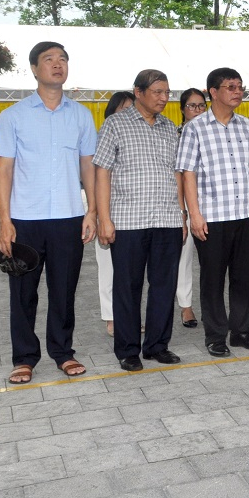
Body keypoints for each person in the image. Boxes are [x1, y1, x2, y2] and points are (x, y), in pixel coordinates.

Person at [0, 41, 97, 384]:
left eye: (62, 59)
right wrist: (5, 222)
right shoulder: (13, 116)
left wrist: (92, 211)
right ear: (34, 69)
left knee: (64, 290)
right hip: (25, 219)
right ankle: (24, 358)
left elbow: (88, 167)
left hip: (68, 217)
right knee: (23, 292)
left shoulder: (81, 115)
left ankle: (63, 352)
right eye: (49, 59)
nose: (57, 64)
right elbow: (4, 172)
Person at [94, 69, 186, 371]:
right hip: (128, 221)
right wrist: (104, 218)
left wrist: (182, 214)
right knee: (127, 287)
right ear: (138, 92)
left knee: (164, 286)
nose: (164, 98)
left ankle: (157, 345)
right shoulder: (115, 124)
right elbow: (102, 172)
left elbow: (177, 174)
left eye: (167, 92)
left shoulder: (169, 127)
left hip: (167, 219)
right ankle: (128, 350)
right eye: (157, 92)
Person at [175, 67, 249, 357]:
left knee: (243, 277)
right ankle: (215, 336)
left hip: (245, 214)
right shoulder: (195, 128)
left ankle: (241, 331)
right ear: (213, 92)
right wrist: (194, 215)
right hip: (212, 218)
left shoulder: (245, 125)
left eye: (240, 86)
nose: (238, 92)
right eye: (231, 87)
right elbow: (187, 173)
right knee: (213, 280)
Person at [96, 91, 135, 337]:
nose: (129, 114)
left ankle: (128, 318)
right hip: (107, 212)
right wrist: (101, 216)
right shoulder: (105, 135)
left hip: (132, 215)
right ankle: (111, 318)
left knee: (129, 273)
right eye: (124, 109)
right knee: (108, 268)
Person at [175, 88, 205, 330]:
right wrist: (182, 210)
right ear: (182, 109)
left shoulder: (213, 133)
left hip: (211, 204)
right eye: (192, 106)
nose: (197, 110)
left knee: (211, 260)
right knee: (184, 257)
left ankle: (213, 307)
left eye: (201, 105)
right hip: (182, 203)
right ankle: (186, 306)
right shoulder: (175, 135)